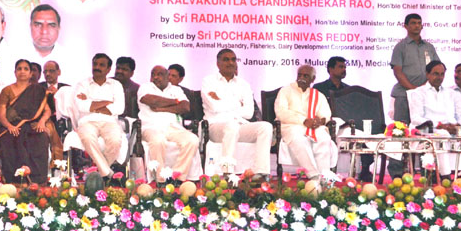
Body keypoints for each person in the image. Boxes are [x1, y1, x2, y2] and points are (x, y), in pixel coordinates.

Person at [201, 49, 272, 180]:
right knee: (231, 126)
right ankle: (228, 172)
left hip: (240, 125)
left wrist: (221, 100)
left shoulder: (243, 84)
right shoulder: (208, 81)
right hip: (216, 127)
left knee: (265, 127)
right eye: (226, 59)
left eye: (233, 59)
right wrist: (237, 103)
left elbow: (249, 112)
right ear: (218, 64)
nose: (231, 62)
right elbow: (214, 106)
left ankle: (261, 172)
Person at [138, 66, 199, 182]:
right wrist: (175, 101)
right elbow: (152, 101)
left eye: (160, 74)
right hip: (151, 127)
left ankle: (177, 177)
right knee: (158, 140)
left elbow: (185, 107)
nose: (155, 77)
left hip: (173, 127)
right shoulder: (145, 87)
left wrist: (160, 108)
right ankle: (160, 179)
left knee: (192, 140)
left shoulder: (176, 90)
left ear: (167, 77)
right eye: (153, 74)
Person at [275, 65, 335, 182]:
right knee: (299, 138)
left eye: (306, 76)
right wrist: (303, 120)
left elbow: (326, 115)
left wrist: (319, 121)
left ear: (313, 79)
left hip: (313, 126)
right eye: (299, 75)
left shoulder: (317, 95)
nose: (301, 78)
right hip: (291, 126)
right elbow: (281, 112)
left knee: (324, 138)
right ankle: (313, 175)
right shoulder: (286, 91)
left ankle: (324, 177)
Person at [0, 59, 52, 184]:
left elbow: (47, 111)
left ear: (31, 73)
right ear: (15, 72)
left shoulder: (37, 90)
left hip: (31, 125)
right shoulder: (7, 90)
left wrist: (42, 122)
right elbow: (1, 114)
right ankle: (14, 180)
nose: (22, 71)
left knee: (41, 137)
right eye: (19, 69)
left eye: (26, 69)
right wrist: (10, 126)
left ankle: (38, 180)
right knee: (11, 137)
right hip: (11, 126)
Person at [408, 61, 461, 177]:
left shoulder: (453, 93)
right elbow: (416, 118)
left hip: (453, 129)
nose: (439, 77)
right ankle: (445, 174)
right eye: (435, 74)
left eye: (442, 74)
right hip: (429, 129)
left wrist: (457, 126)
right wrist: (439, 125)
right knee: (442, 134)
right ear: (427, 74)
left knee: (452, 133)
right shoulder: (418, 92)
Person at [75, 53, 125, 179]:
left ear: (108, 69)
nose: (97, 67)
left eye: (101, 65)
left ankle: (100, 171)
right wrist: (106, 103)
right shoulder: (82, 84)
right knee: (87, 137)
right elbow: (81, 106)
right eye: (95, 64)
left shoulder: (116, 85)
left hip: (110, 122)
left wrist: (91, 103)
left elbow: (119, 108)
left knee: (115, 141)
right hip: (87, 121)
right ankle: (107, 173)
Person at [390, 13, 439, 124]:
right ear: (406, 26)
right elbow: (397, 72)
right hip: (404, 95)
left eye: (419, 23)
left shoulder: (429, 47)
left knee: (426, 128)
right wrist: (414, 90)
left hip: (425, 95)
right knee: (402, 130)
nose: (417, 26)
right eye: (413, 23)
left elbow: (437, 68)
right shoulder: (400, 47)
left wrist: (424, 88)